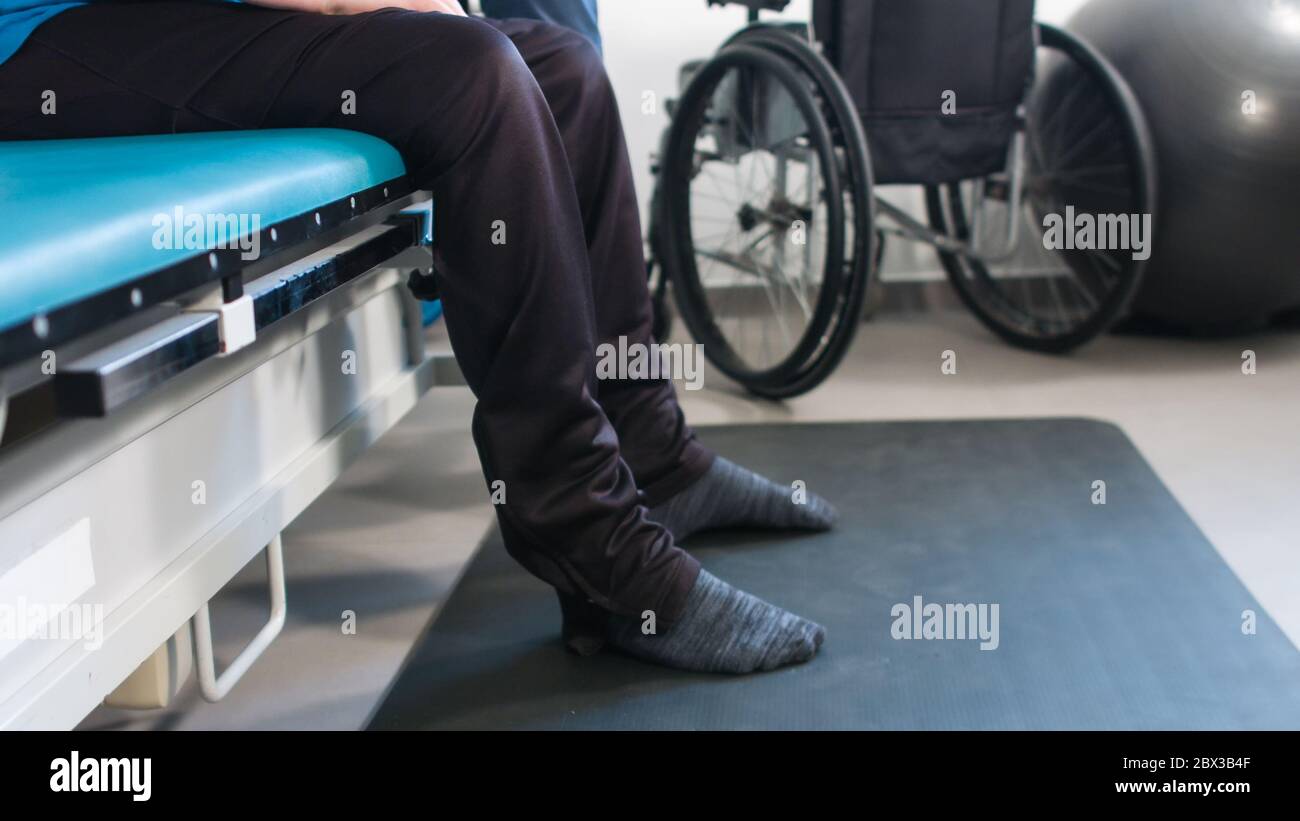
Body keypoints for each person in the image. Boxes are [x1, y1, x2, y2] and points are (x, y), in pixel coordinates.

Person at [0, 0, 835, 673]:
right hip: (46, 40)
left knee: (564, 70)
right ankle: (597, 548)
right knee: (473, 75)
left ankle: (653, 453)